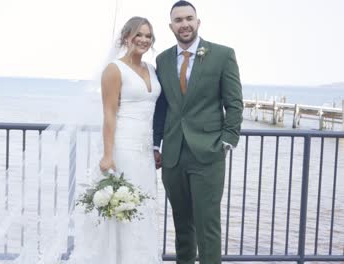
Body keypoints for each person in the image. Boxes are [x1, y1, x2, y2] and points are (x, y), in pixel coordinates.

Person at [153, 1, 243, 264]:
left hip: (208, 154)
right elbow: (162, 107)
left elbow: (235, 103)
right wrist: (155, 145)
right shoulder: (162, 59)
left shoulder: (222, 55)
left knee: (207, 227)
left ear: (198, 22)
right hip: (173, 156)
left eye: (189, 18)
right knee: (182, 227)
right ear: (171, 26)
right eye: (178, 20)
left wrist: (227, 142)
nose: (185, 24)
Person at [68, 16, 162, 263]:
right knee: (120, 210)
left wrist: (155, 147)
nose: (143, 40)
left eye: (148, 35)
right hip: (123, 148)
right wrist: (108, 155)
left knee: (142, 208)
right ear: (126, 38)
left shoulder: (152, 70)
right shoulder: (114, 69)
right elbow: (109, 114)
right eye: (138, 35)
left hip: (145, 151)